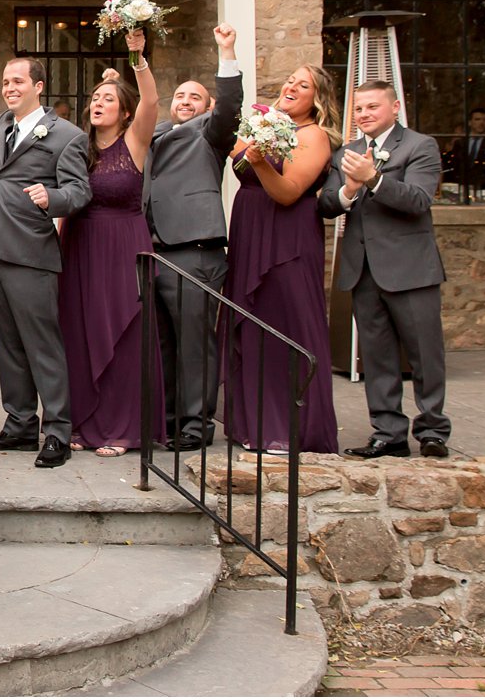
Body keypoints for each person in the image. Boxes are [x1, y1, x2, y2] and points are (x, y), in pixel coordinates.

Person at [0, 44, 91, 469]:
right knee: (9, 344)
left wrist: (51, 197)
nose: (9, 88)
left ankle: (57, 431)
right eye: (5, 82)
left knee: (41, 345)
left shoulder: (67, 135)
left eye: (17, 81)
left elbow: (80, 192)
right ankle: (18, 424)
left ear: (38, 86)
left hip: (32, 251)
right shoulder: (0, 126)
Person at [320, 80, 451, 459]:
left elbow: (418, 200)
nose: (364, 115)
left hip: (411, 269)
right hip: (364, 271)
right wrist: (347, 190)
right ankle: (388, 432)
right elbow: (327, 204)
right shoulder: (346, 153)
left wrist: (373, 179)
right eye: (359, 109)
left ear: (395, 107)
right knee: (377, 358)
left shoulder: (419, 146)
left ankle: (432, 430)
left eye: (372, 107)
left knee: (425, 354)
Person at [221, 64, 341, 455]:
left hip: (287, 239)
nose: (291, 85)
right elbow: (235, 157)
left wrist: (257, 160)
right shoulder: (264, 123)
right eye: (290, 79)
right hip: (250, 230)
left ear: (317, 99)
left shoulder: (314, 135)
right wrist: (250, 145)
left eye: (302, 84)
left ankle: (295, 429)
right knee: (254, 328)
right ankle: (254, 424)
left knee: (289, 326)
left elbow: (289, 191)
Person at [59, 31, 160, 457]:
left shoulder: (133, 143)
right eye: (94, 98)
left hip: (123, 245)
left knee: (122, 335)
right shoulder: (78, 149)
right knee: (79, 332)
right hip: (80, 246)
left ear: (125, 111)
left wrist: (137, 57)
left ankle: (122, 428)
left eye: (107, 99)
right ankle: (83, 422)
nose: (97, 103)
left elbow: (153, 103)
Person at [145, 24, 244, 451]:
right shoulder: (153, 135)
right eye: (180, 96)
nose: (185, 102)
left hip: (194, 251)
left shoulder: (210, 135)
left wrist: (226, 53)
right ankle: (166, 421)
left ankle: (196, 425)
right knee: (163, 345)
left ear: (207, 107)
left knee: (193, 345)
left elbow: (230, 111)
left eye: (195, 97)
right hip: (153, 252)